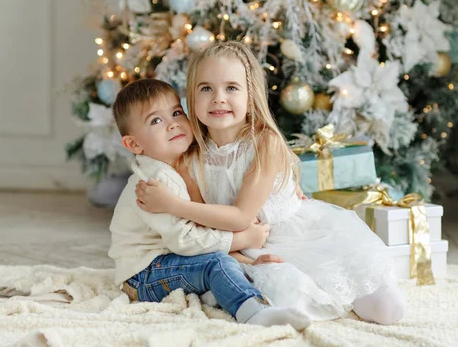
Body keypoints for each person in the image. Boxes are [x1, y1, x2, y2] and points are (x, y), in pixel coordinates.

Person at [135, 42, 407, 324]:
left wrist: (173, 205)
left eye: (231, 88)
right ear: (191, 96)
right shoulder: (190, 154)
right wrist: (245, 260)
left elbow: (241, 216)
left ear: (251, 94)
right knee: (286, 295)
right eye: (206, 88)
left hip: (299, 233)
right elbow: (205, 225)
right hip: (246, 246)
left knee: (386, 308)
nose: (218, 98)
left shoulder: (265, 142)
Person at [107, 78, 311, 330]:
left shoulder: (182, 160)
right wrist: (242, 240)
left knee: (223, 264)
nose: (173, 124)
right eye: (156, 120)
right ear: (134, 144)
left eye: (176, 112)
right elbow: (184, 240)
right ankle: (254, 312)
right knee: (216, 263)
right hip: (143, 275)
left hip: (168, 260)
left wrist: (285, 188)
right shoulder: (155, 182)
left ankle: (221, 290)